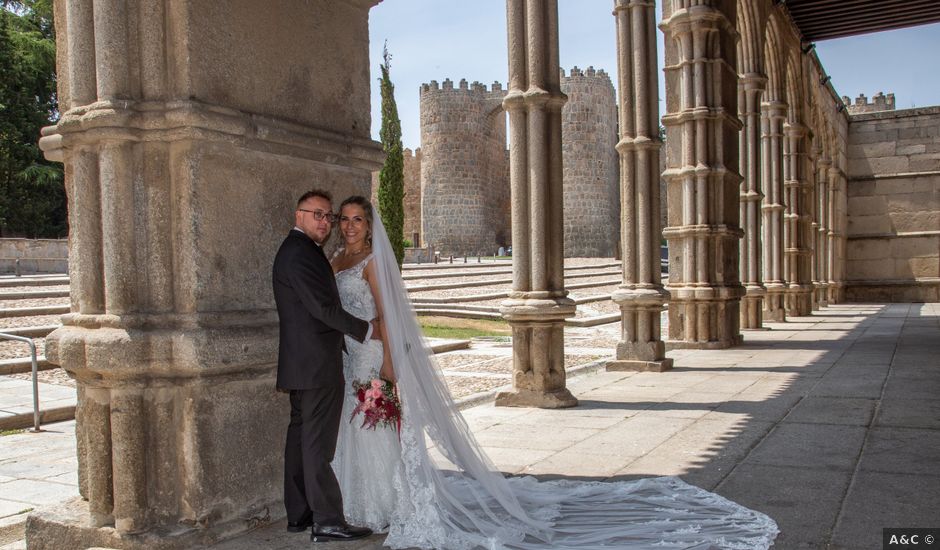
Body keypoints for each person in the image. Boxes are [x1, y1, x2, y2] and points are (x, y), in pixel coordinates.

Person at [332, 195, 779, 549]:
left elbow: (388, 317)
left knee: (375, 427)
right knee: (355, 430)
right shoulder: (336, 261)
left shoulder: (373, 262)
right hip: (348, 354)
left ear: (370, 225)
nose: (350, 226)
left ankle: (389, 504)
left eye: (357, 219)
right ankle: (359, 500)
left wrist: (389, 366)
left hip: (372, 355)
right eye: (345, 219)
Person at [272, 189, 378, 543]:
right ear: (298, 214)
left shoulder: (299, 251)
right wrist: (367, 329)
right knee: (317, 445)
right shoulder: (300, 253)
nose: (325, 222)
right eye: (317, 214)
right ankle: (328, 520)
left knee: (301, 440)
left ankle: (300, 514)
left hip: (301, 364)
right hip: (316, 365)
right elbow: (323, 309)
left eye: (327, 216)